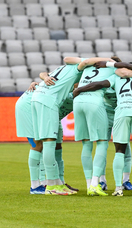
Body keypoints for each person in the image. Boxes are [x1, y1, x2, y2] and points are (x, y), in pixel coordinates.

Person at [31, 57, 112, 195]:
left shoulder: (62, 69)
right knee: (48, 143)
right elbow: (82, 62)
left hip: (37, 97)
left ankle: (57, 182)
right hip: (48, 101)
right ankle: (51, 185)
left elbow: (47, 71)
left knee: (48, 143)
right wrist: (109, 60)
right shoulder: (80, 69)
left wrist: (44, 77)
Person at [70, 58, 132, 196]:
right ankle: (101, 180)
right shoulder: (114, 74)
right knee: (108, 145)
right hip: (107, 112)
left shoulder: (118, 73)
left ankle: (125, 180)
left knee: (122, 146)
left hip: (120, 112)